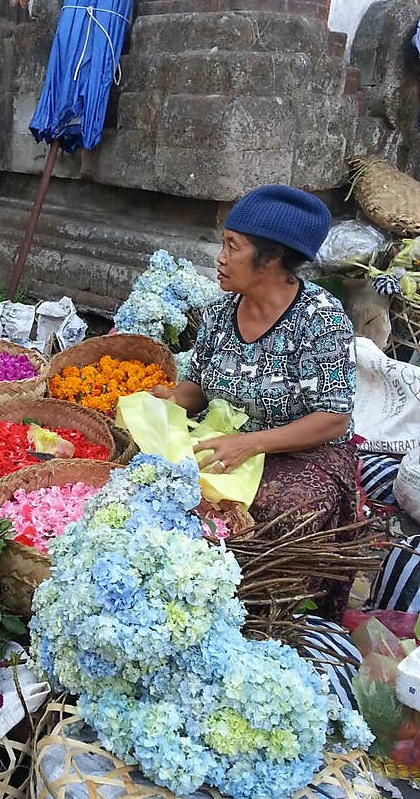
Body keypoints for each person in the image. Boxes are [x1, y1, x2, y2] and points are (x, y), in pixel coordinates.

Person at [153, 185, 358, 614]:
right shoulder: (218, 314)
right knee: (160, 487)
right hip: (229, 442)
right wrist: (167, 399)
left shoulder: (320, 320)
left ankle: (275, 613)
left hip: (303, 452)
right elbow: (198, 387)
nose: (220, 257)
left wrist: (253, 443)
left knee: (280, 516)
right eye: (223, 243)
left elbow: (334, 418)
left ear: (272, 259)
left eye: (233, 246)